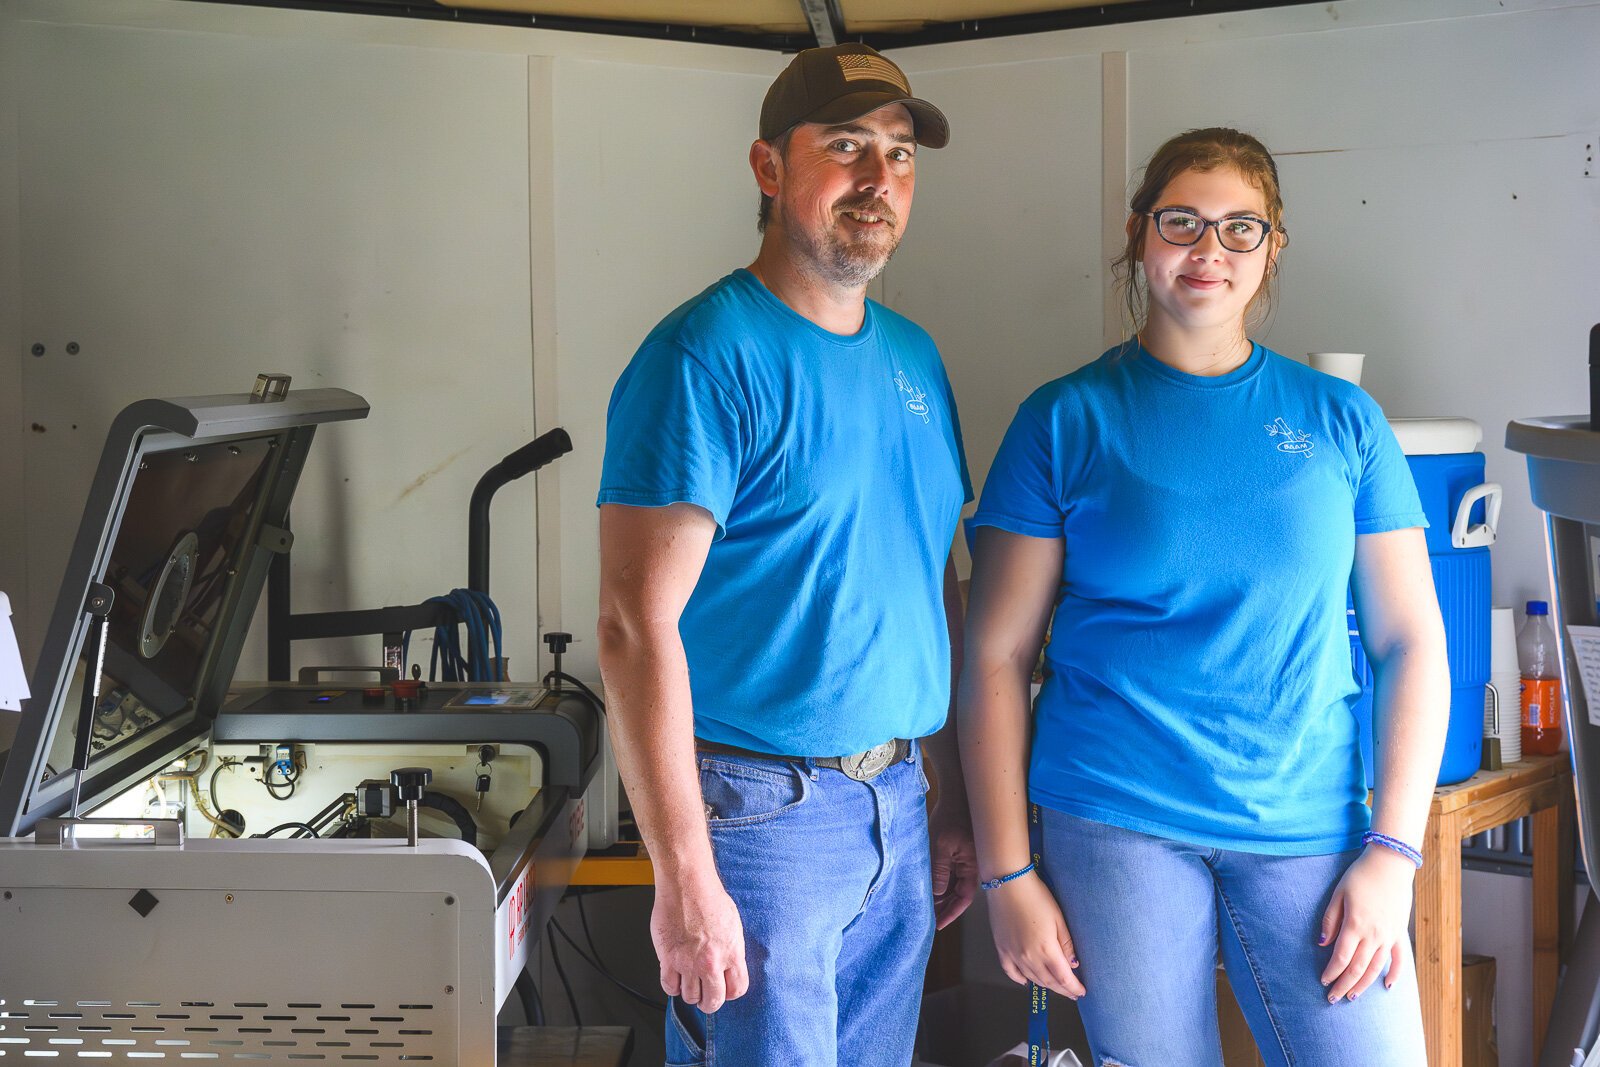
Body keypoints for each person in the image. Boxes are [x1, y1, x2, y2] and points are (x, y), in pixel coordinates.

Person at [958, 127, 1450, 1066]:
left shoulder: (1342, 422)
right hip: (1115, 816)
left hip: (1313, 823)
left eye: (1239, 229)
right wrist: (1007, 873)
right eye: (1182, 222)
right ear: (1141, 234)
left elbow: (1411, 643)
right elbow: (995, 656)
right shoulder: (1064, 418)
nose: (1207, 251)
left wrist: (1395, 851)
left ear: (1272, 251)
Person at [595, 43, 976, 1067]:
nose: (878, 179)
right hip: (762, 820)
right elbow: (635, 625)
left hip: (895, 803)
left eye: (898, 154)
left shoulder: (913, 358)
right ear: (769, 169)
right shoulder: (704, 355)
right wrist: (683, 877)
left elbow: (927, 575)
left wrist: (946, 793)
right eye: (845, 146)